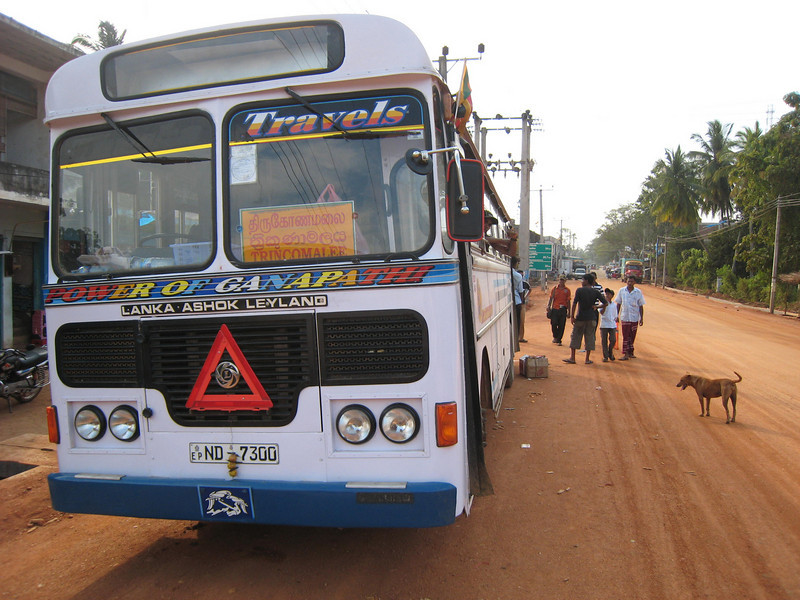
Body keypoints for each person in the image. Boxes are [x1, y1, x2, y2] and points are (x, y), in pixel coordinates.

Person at [563, 273, 607, 365]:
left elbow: (575, 303)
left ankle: (573, 358)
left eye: (583, 280)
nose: (582, 282)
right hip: (591, 318)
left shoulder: (579, 291)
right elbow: (605, 303)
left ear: (586, 281)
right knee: (590, 338)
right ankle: (587, 359)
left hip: (580, 318)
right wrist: (596, 306)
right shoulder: (595, 292)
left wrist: (572, 316)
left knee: (575, 337)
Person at [615, 276, 645, 360]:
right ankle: (625, 354)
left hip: (634, 318)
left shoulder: (638, 292)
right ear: (626, 282)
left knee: (632, 336)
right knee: (625, 336)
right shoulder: (622, 291)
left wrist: (641, 318)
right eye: (628, 281)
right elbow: (618, 304)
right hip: (625, 317)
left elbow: (641, 306)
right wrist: (616, 315)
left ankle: (631, 352)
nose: (630, 283)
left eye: (631, 281)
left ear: (634, 282)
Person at [547, 275, 571, 346]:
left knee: (562, 325)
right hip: (555, 309)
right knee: (553, 323)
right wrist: (548, 306)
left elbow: (568, 301)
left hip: (563, 309)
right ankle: (555, 336)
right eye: (560, 280)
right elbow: (551, 298)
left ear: (565, 281)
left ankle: (559, 339)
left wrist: (569, 311)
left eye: (563, 280)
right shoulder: (554, 289)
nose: (561, 281)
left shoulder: (567, 290)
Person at [599, 288, 618, 362]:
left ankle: (610, 352)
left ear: (612, 296)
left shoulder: (614, 304)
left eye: (608, 294)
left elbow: (615, 315)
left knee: (613, 340)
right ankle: (605, 356)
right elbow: (602, 312)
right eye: (606, 294)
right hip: (604, 324)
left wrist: (616, 319)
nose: (607, 295)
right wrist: (604, 305)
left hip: (612, 324)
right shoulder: (602, 304)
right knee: (604, 341)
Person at [511, 257, 523, 350]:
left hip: (507, 301)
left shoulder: (505, 273)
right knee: (516, 323)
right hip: (516, 301)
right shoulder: (518, 276)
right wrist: (522, 302)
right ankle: (516, 340)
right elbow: (520, 290)